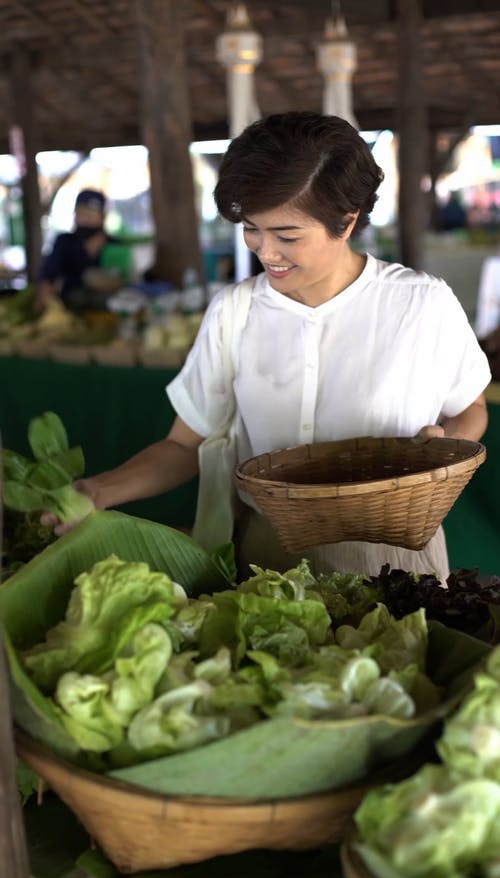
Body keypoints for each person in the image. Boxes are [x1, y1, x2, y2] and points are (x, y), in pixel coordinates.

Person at [42, 112, 491, 581]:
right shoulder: (234, 312)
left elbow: (471, 408)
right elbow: (182, 445)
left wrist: (446, 446)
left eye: (287, 235)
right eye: (252, 228)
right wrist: (99, 490)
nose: (266, 252)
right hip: (266, 569)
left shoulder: (421, 304)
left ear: (347, 220)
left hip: (393, 568)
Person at [36, 188, 125, 312]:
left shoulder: (116, 246)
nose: (86, 219)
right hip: (70, 307)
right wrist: (42, 301)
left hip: (108, 310)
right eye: (82, 214)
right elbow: (48, 275)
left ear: (102, 218)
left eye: (91, 215)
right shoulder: (65, 242)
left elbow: (124, 279)